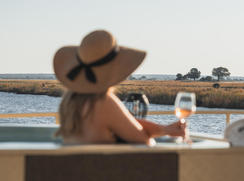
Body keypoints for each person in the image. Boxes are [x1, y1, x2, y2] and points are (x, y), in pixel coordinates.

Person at [53, 30, 186, 145]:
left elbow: (126, 123)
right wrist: (162, 132)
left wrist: (165, 130)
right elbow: (144, 141)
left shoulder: (70, 103)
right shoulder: (103, 102)